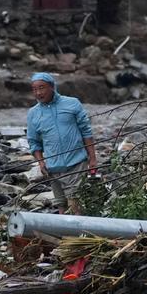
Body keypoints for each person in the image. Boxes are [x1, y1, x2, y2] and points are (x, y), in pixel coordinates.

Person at [26, 72, 97, 214]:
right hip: (53, 167)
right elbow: (34, 142)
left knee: (76, 203)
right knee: (61, 205)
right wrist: (41, 163)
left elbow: (86, 131)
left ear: (52, 87)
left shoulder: (72, 103)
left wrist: (92, 158)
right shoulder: (33, 113)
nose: (38, 93)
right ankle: (66, 234)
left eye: (42, 88)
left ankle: (81, 233)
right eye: (35, 89)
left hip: (76, 163)